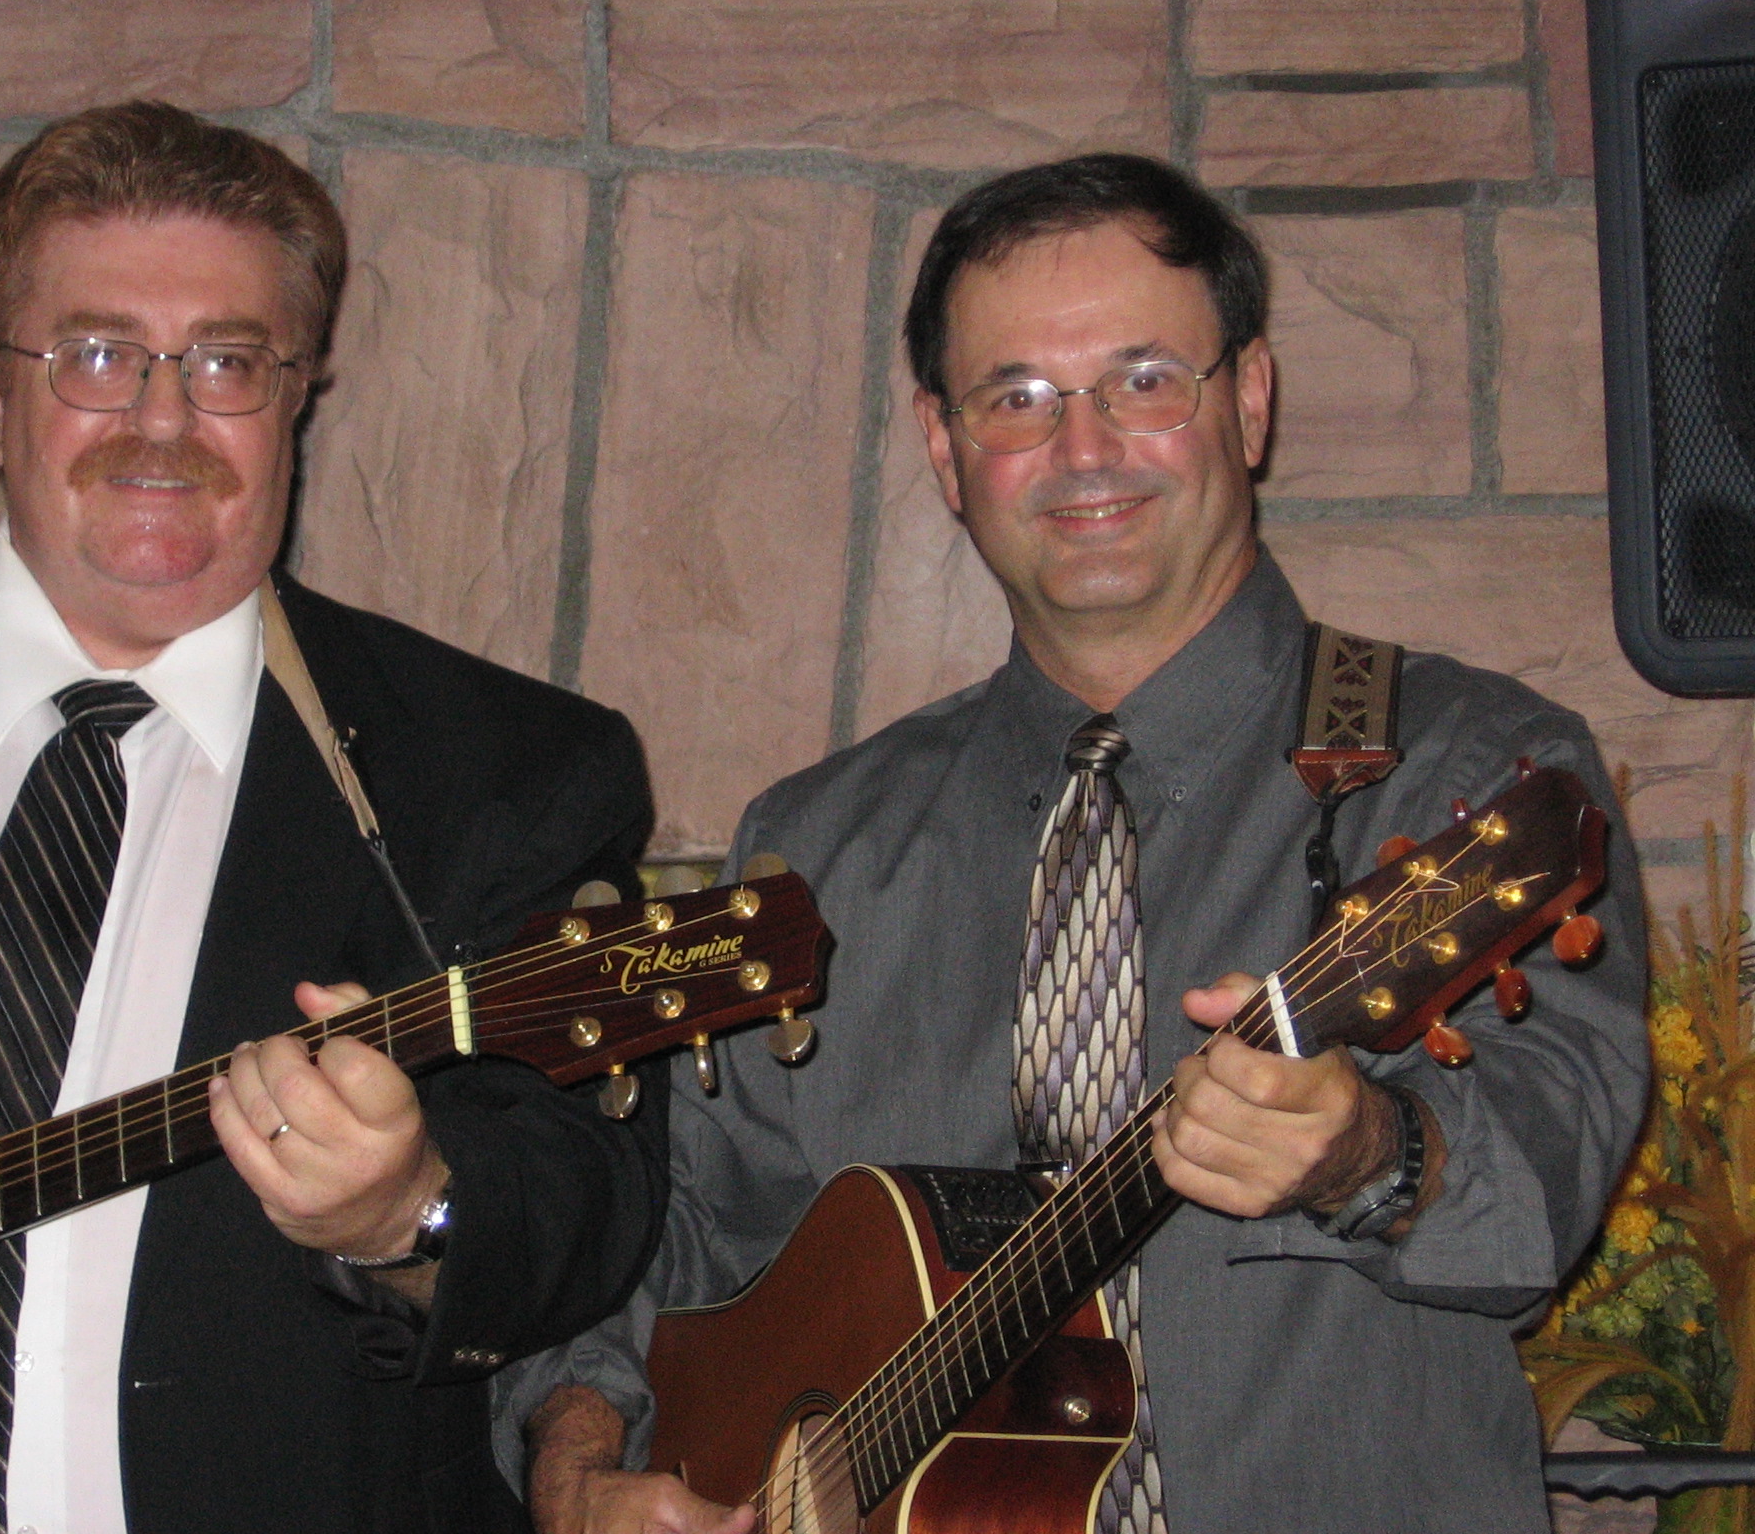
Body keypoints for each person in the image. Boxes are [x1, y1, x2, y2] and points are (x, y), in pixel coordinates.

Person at [504, 154, 1648, 1534]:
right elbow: (675, 1231)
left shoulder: (1468, 767)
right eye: (1019, 400)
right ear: (945, 451)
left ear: (1251, 400)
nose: (1085, 449)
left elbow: (1545, 1186)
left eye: (1146, 380)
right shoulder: (817, 848)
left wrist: (1370, 1156)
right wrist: (581, 1448)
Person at [0, 101, 666, 1534]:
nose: (162, 421)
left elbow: (586, 1203)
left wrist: (413, 1210)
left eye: (227, 361)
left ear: (298, 397)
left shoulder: (499, 770)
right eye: (96, 354)